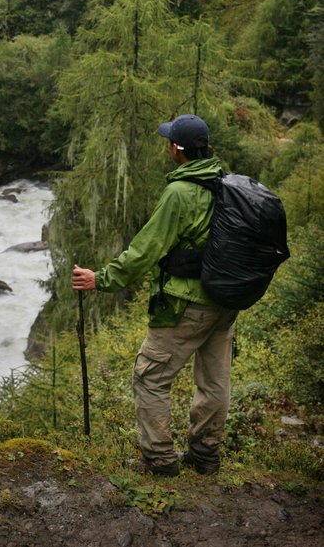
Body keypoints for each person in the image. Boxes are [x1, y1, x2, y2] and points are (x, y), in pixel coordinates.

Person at [72, 114, 237, 477]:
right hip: (224, 302)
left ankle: (160, 460)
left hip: (186, 303)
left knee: (151, 376)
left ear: (178, 149)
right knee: (214, 380)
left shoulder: (180, 193)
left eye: (169, 142)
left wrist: (100, 279)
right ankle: (205, 455)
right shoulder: (224, 183)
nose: (167, 146)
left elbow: (145, 251)